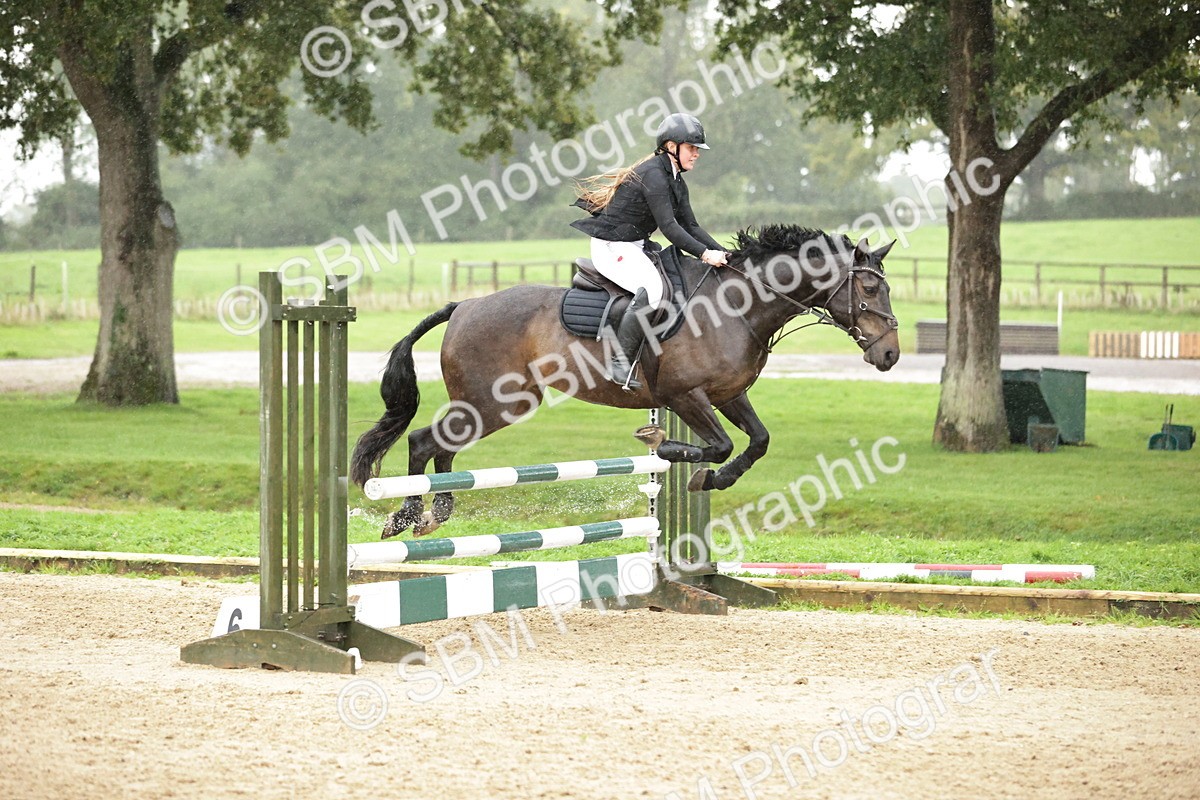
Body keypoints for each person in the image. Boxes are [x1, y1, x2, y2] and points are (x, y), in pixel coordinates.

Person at [571, 112, 729, 390]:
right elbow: (669, 228)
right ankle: (620, 363)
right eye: (692, 148)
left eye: (697, 149)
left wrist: (725, 253)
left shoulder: (675, 178)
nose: (696, 154)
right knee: (653, 291)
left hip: (634, 245)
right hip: (612, 246)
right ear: (672, 147)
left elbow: (690, 225)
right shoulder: (654, 175)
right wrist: (705, 255)